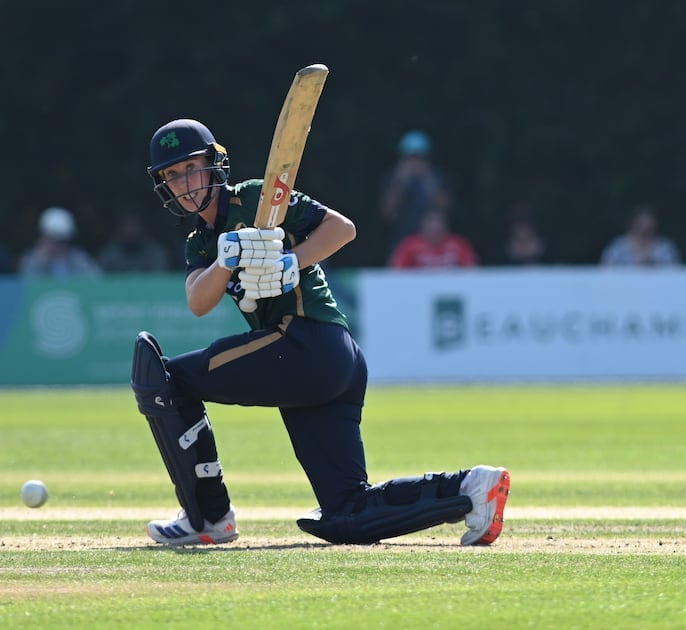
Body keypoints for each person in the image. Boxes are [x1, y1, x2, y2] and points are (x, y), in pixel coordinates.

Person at [138, 118, 509, 547]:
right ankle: (471, 489)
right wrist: (226, 259)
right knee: (346, 511)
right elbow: (198, 303)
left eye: (190, 168)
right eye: (171, 175)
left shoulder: (257, 198)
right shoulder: (200, 241)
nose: (183, 183)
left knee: (167, 380)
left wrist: (290, 261)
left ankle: (208, 516)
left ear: (214, 164)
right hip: (324, 365)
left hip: (306, 342)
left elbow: (342, 229)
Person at [379, 130, 453, 254]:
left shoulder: (436, 177)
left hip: (433, 241)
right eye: (410, 157)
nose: (414, 162)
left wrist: (428, 181)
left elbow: (446, 208)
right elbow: (387, 213)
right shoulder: (393, 178)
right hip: (403, 240)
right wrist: (400, 183)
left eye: (418, 157)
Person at [19, 206, 103, 278]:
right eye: (55, 239)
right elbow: (27, 288)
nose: (59, 245)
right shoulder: (31, 260)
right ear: (44, 237)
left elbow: (97, 282)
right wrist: (40, 262)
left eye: (63, 241)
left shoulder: (78, 259)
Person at [388, 208, 479, 269]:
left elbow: (472, 269)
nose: (434, 232)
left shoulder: (458, 245)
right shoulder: (410, 246)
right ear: (423, 227)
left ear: (445, 227)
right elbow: (397, 271)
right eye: (431, 228)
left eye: (437, 229)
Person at [599, 204, 681, 266]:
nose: (644, 231)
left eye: (649, 228)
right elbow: (605, 271)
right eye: (640, 226)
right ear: (631, 225)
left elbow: (676, 273)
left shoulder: (665, 248)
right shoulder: (617, 247)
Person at [97, 214, 171, 273]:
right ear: (120, 228)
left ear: (142, 227)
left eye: (134, 225)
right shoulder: (109, 254)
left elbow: (160, 278)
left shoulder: (155, 253)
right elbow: (101, 278)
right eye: (127, 225)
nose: (131, 230)